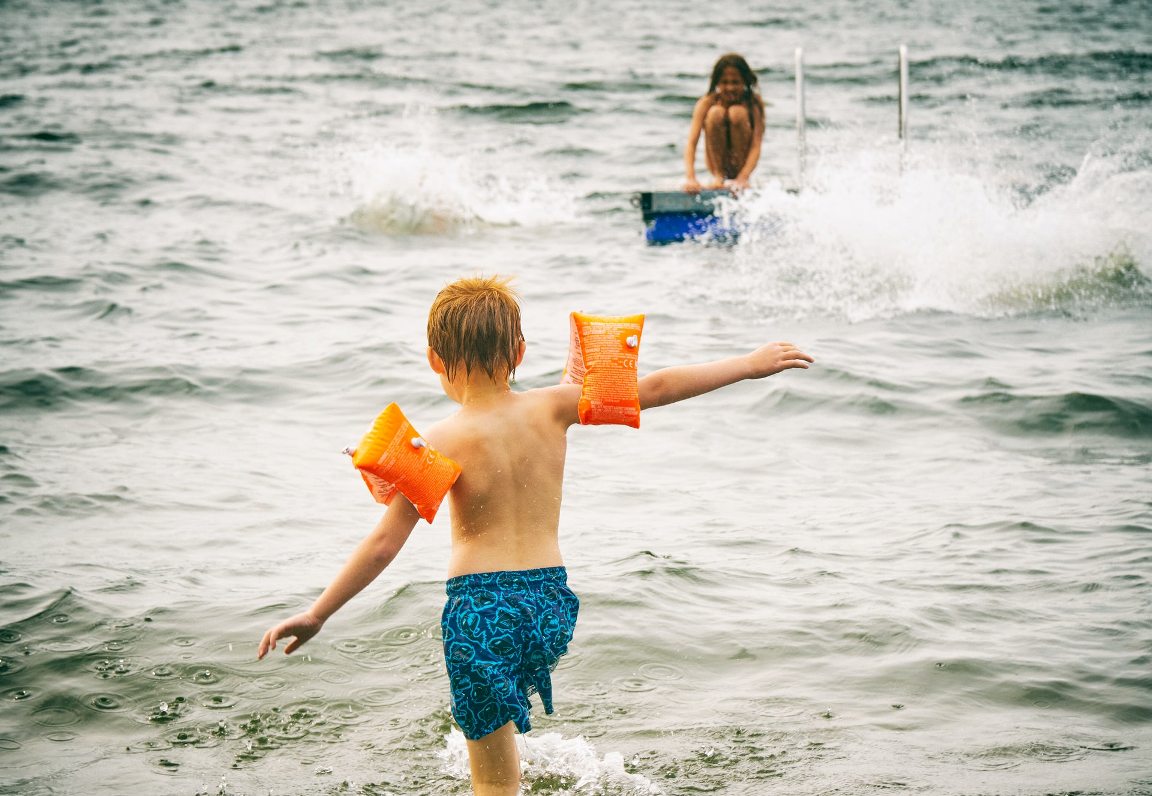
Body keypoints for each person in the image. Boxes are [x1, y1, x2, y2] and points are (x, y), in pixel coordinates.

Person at [256, 276, 813, 796]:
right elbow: (658, 387)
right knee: (505, 749)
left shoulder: (437, 443)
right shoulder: (555, 406)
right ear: (520, 354)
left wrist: (318, 613)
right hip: (550, 603)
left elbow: (384, 544)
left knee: (493, 787)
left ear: (433, 360)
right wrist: (749, 363)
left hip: (481, 610)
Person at [683, 53, 766, 194]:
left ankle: (738, 176)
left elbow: (756, 145)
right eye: (724, 82)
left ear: (745, 82)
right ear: (716, 83)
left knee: (737, 112)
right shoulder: (707, 102)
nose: (730, 88)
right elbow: (691, 143)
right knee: (716, 113)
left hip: (741, 164)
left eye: (735, 82)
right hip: (716, 165)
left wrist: (743, 177)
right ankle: (719, 176)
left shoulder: (753, 103)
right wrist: (691, 178)